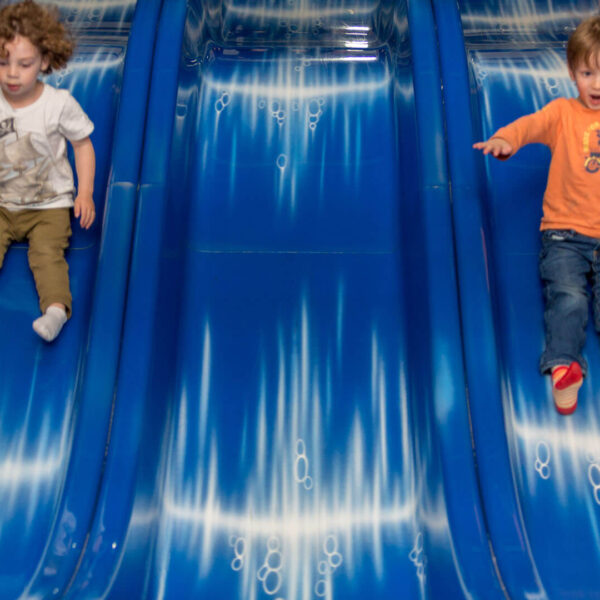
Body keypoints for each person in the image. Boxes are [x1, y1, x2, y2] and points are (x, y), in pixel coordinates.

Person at [473, 16, 600, 415]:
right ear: (572, 73)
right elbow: (531, 125)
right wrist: (505, 139)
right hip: (564, 235)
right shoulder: (563, 112)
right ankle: (565, 366)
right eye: (587, 72)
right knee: (570, 298)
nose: (596, 84)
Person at [0, 0, 95, 342]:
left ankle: (55, 311)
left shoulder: (58, 104)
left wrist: (84, 193)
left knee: (46, 255)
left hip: (49, 206)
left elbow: (83, 145)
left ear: (43, 60)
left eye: (24, 64)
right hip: (3, 203)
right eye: (2, 62)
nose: (12, 73)